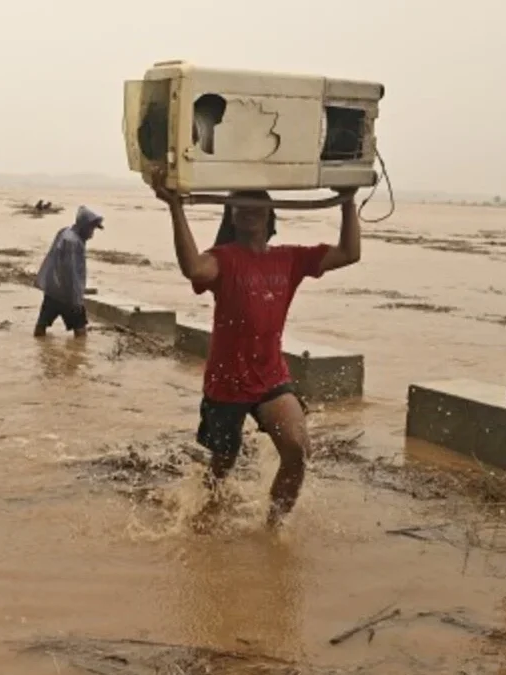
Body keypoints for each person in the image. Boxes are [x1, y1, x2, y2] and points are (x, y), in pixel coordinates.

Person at [152, 177, 360, 527]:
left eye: (255, 204)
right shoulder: (224, 258)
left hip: (270, 377)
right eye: (239, 206)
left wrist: (347, 201)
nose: (248, 211)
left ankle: (273, 530)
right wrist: (175, 208)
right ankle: (200, 520)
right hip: (226, 383)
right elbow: (193, 268)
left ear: (270, 214)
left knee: (297, 450)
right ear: (231, 217)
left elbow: (349, 253)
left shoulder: (291, 259)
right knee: (222, 467)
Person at [33, 206, 103, 338]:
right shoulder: (73, 242)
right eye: (92, 228)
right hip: (67, 295)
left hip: (52, 290)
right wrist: (76, 299)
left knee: (41, 328)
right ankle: (76, 357)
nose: (92, 233)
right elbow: (71, 272)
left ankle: (41, 353)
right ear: (85, 226)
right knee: (81, 335)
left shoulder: (65, 232)